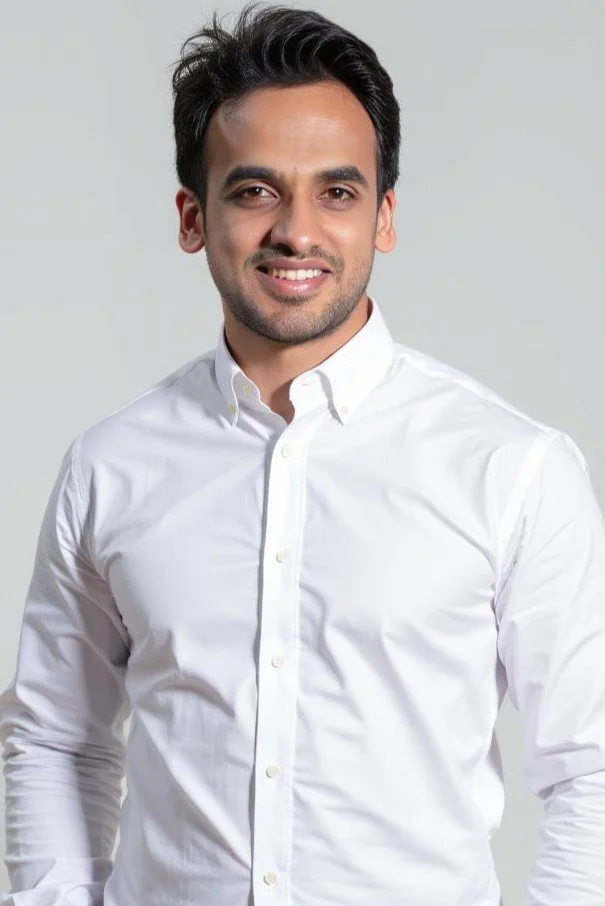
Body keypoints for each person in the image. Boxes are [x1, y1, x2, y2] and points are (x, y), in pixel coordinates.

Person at [1, 3, 604, 904]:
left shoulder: (510, 468)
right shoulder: (110, 467)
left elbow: (589, 769)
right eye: (254, 191)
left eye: (336, 192)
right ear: (192, 216)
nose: (296, 231)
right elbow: (56, 740)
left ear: (383, 216)